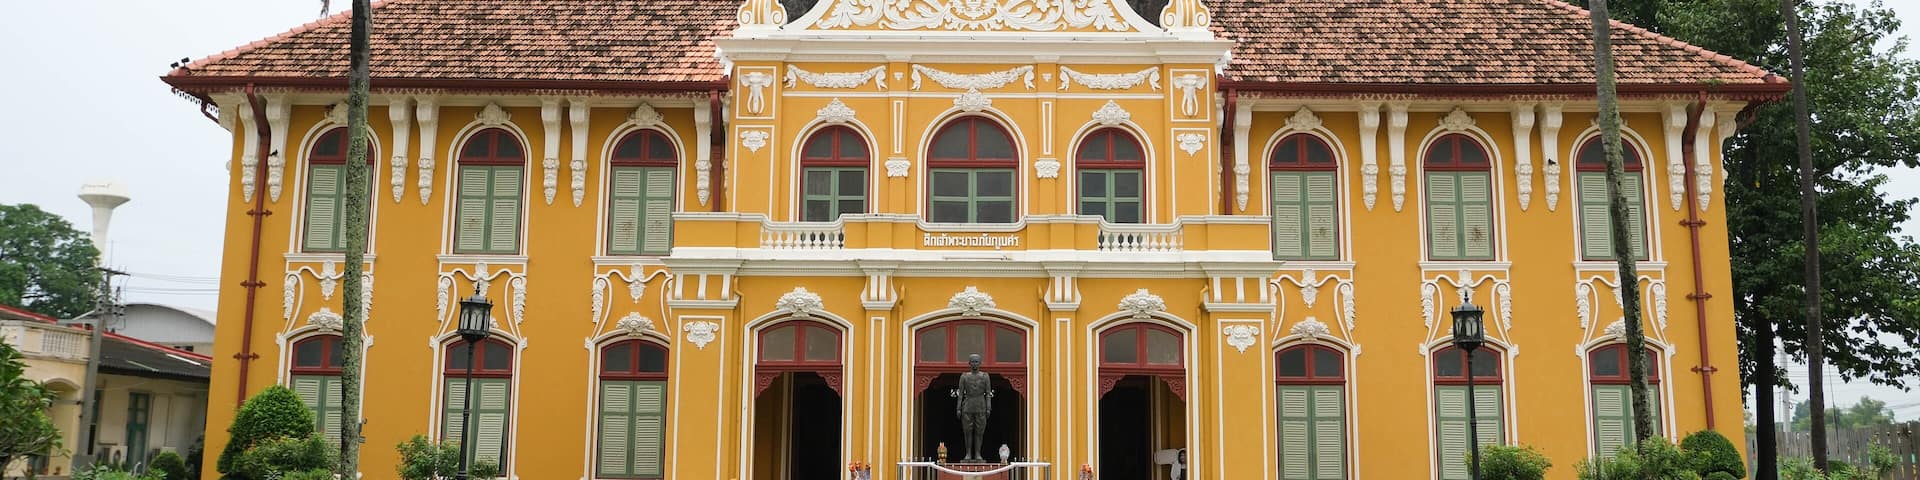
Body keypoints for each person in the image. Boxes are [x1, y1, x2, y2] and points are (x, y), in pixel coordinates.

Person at [956, 353, 993, 462]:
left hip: (981, 405)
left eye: (976, 362)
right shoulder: (964, 377)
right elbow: (960, 394)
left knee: (979, 431)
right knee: (967, 431)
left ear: (980, 363)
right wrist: (958, 408)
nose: (974, 364)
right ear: (969, 363)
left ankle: (977, 453)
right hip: (967, 405)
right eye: (972, 361)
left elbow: (988, 393)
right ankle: (968, 453)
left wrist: (988, 407)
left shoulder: (985, 376)